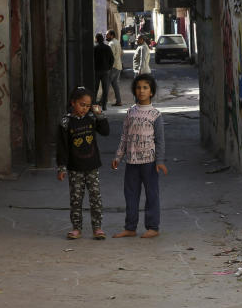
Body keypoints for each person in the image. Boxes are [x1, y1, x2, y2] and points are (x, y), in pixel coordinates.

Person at [111, 74, 167, 238]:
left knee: (152, 195)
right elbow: (124, 137)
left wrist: (160, 161)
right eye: (138, 87)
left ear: (151, 92)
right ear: (134, 91)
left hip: (150, 163)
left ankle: (153, 227)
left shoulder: (155, 114)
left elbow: (160, 140)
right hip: (131, 162)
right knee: (130, 195)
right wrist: (118, 156)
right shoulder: (130, 113)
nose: (141, 91)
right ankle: (130, 227)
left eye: (145, 87)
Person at [56, 86, 110, 240]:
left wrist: (100, 115)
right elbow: (62, 147)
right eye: (82, 104)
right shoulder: (66, 122)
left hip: (92, 166)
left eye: (88, 106)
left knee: (95, 197)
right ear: (73, 103)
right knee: (76, 200)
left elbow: (106, 131)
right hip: (75, 168)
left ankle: (97, 228)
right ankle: (76, 228)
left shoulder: (92, 118)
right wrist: (61, 167)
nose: (85, 109)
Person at [93, 33, 114, 108]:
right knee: (105, 89)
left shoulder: (95, 48)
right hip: (105, 71)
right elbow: (112, 59)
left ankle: (94, 105)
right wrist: (109, 68)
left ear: (97, 39)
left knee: (95, 88)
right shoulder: (107, 47)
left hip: (96, 71)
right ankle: (104, 105)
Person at [106, 29, 123, 106]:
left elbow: (111, 57)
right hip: (118, 66)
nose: (106, 36)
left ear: (112, 35)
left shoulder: (111, 44)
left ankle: (103, 101)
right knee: (115, 85)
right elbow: (121, 53)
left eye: (107, 35)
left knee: (106, 84)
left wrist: (109, 66)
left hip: (113, 67)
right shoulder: (117, 42)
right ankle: (118, 101)